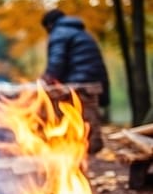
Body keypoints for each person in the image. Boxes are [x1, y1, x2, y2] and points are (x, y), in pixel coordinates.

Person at [41, 8, 110, 154]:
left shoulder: (59, 33)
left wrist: (46, 79)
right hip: (93, 79)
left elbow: (57, 61)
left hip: (79, 80)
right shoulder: (81, 32)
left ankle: (73, 146)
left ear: (49, 25)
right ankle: (89, 143)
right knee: (87, 115)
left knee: (64, 111)